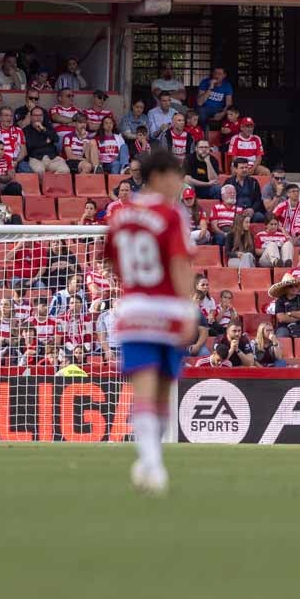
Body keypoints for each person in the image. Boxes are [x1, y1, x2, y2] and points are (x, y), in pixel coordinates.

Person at [103, 150, 196, 496]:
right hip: (167, 310)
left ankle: (148, 462)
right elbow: (180, 264)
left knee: (145, 390)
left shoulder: (121, 215)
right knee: (160, 393)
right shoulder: (172, 214)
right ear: (158, 176)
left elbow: (112, 262)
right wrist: (189, 311)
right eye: (175, 177)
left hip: (133, 310)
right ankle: (153, 464)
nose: (179, 184)